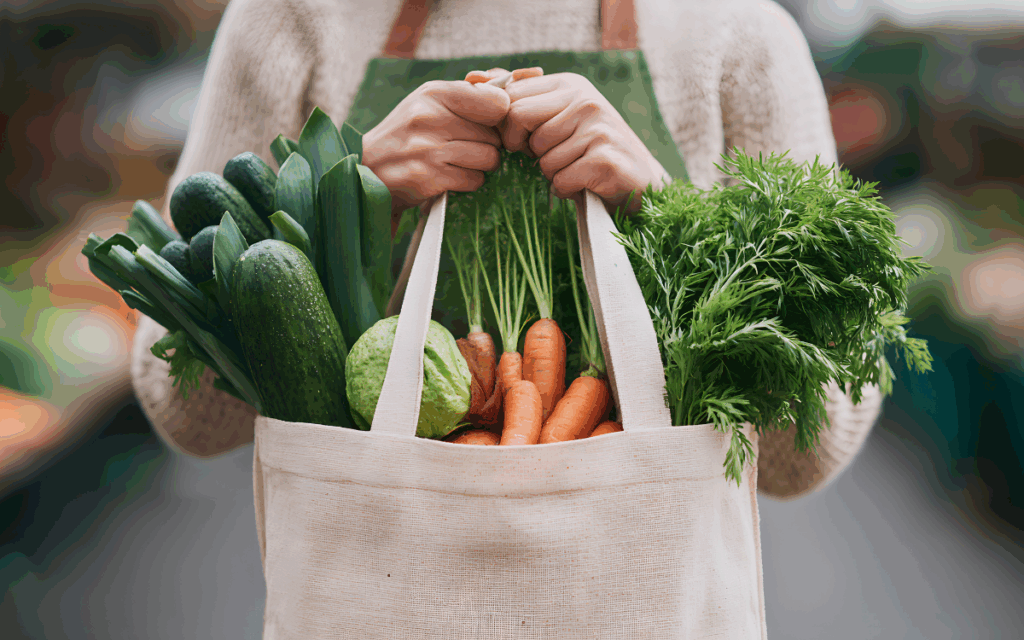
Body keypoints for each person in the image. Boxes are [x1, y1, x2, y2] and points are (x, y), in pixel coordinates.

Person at [131, 0, 884, 497]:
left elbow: (804, 455)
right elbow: (188, 415)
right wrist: (350, 201)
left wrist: (663, 210)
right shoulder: (291, 19)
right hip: (378, 592)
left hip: (643, 592)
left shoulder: (733, 31)